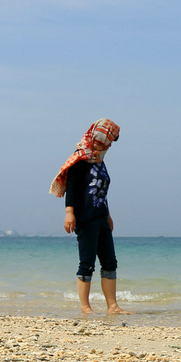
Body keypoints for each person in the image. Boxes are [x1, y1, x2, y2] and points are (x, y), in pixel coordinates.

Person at [50, 119, 131, 315]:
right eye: (108, 140)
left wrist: (108, 215)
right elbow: (72, 188)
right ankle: (85, 307)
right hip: (85, 218)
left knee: (110, 262)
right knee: (87, 263)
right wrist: (69, 213)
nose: (110, 145)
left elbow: (100, 191)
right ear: (98, 139)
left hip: (101, 217)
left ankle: (113, 306)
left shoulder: (100, 161)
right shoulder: (80, 160)